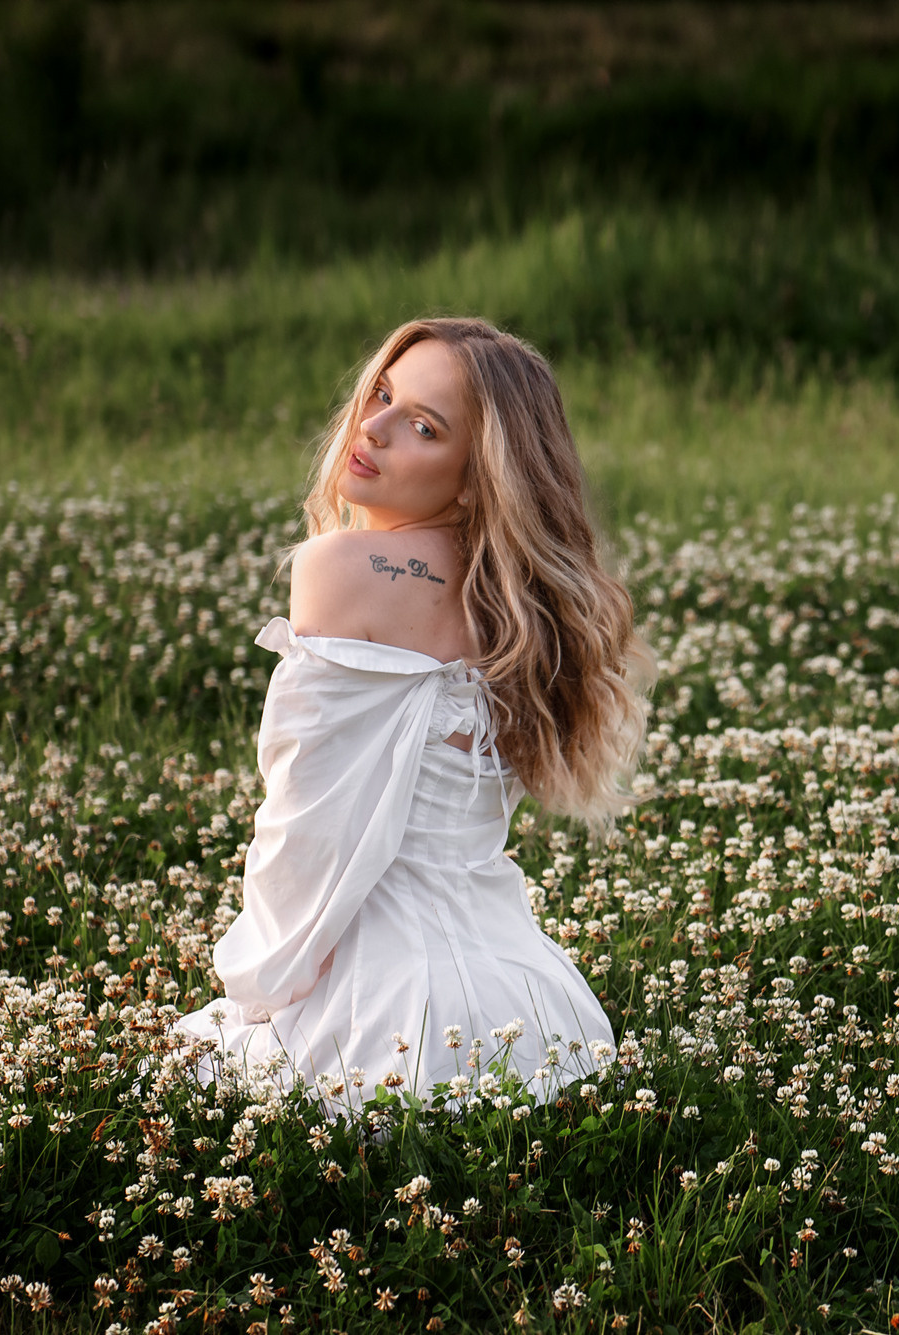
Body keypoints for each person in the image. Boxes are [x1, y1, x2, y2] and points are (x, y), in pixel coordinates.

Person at [173, 317, 651, 1115]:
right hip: (533, 1016)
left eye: (423, 426)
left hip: (382, 1019)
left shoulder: (340, 567)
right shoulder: (516, 599)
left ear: (472, 477)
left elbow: (306, 821)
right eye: (383, 396)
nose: (374, 428)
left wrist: (262, 980)